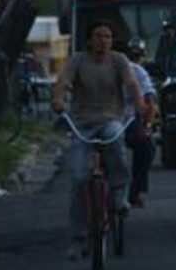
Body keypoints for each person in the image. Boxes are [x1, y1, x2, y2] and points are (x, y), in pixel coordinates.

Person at [51, 21, 153, 260]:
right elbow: (63, 82)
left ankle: (119, 193)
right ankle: (77, 238)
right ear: (90, 40)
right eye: (98, 36)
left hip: (110, 119)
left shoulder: (119, 60)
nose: (103, 40)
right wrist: (57, 99)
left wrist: (140, 106)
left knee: (116, 145)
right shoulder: (78, 60)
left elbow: (132, 84)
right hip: (83, 124)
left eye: (107, 36)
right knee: (78, 178)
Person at [123, 38, 158, 208]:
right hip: (98, 119)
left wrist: (147, 126)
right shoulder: (91, 68)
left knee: (146, 145)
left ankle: (135, 190)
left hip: (127, 121)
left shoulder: (136, 72)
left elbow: (149, 101)